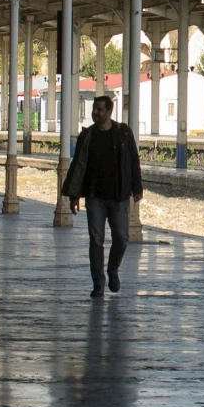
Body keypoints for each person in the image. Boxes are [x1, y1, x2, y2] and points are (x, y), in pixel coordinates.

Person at [59, 93, 143, 294]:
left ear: (109, 112)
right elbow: (78, 166)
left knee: (121, 237)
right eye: (94, 109)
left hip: (119, 195)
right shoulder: (87, 136)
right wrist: (74, 196)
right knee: (96, 240)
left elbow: (133, 161)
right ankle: (98, 283)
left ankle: (113, 270)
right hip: (94, 195)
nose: (95, 113)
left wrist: (137, 187)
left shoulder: (124, 133)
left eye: (99, 110)